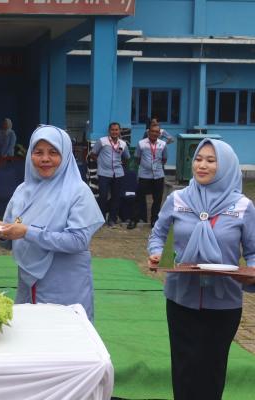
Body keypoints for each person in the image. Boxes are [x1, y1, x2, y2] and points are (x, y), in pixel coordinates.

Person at [148, 139, 255, 400]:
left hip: (224, 303)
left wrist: (251, 270)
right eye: (198, 159)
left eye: (211, 160)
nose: (202, 165)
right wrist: (156, 253)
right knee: (183, 367)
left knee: (212, 368)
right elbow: (158, 234)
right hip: (181, 299)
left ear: (226, 165)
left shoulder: (242, 206)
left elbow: (252, 251)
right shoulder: (177, 199)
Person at [0, 125, 104, 322]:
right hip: (28, 286)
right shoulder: (22, 191)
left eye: (53, 152)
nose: (45, 158)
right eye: (38, 152)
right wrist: (1, 233)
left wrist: (27, 232)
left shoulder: (78, 191)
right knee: (30, 340)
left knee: (64, 342)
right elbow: (10, 239)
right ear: (30, 155)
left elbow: (78, 240)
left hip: (66, 288)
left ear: (66, 155)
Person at [89, 122, 130, 227]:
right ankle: (101, 219)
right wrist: (100, 162)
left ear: (119, 131)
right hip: (104, 173)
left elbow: (127, 157)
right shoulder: (102, 141)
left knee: (116, 197)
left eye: (116, 130)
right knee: (103, 196)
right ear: (109, 131)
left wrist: (120, 165)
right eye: (112, 130)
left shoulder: (123, 144)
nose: (114, 132)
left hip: (118, 174)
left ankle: (112, 219)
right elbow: (93, 154)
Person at [127, 125, 167, 229]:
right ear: (149, 132)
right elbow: (137, 158)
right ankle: (134, 219)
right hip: (144, 175)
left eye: (156, 132)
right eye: (152, 131)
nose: (154, 134)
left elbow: (164, 159)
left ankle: (154, 220)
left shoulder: (163, 144)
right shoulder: (141, 143)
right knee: (139, 198)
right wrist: (146, 166)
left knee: (157, 199)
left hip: (158, 175)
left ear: (159, 134)